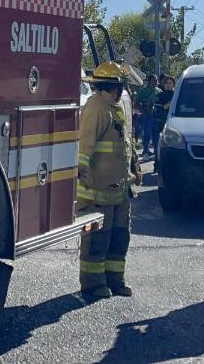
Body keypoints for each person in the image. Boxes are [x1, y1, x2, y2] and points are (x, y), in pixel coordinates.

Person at [77, 62, 141, 299]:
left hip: (119, 189)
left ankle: (115, 280)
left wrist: (134, 165)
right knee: (97, 240)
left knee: (119, 236)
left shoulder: (115, 107)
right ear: (114, 86)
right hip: (98, 190)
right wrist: (82, 168)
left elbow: (123, 142)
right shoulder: (96, 106)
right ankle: (93, 284)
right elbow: (85, 142)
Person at [134, 75, 160, 156]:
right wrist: (142, 111)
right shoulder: (143, 91)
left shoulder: (159, 91)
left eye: (156, 80)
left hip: (156, 116)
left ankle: (156, 151)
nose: (155, 82)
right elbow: (136, 103)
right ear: (148, 81)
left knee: (156, 135)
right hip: (146, 116)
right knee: (146, 134)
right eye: (153, 80)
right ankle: (145, 150)